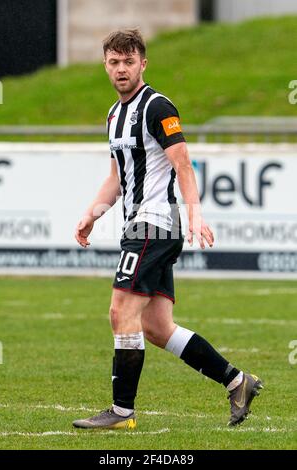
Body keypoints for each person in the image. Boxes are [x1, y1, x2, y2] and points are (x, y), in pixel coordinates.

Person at [72, 29, 263, 430]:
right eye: (113, 62)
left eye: (128, 61)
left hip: (154, 223)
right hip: (140, 224)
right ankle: (237, 381)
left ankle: (122, 412)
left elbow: (184, 165)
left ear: (143, 63)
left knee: (119, 310)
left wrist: (195, 213)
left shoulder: (157, 107)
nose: (121, 69)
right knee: (157, 327)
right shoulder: (113, 114)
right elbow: (117, 177)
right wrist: (93, 213)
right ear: (105, 65)